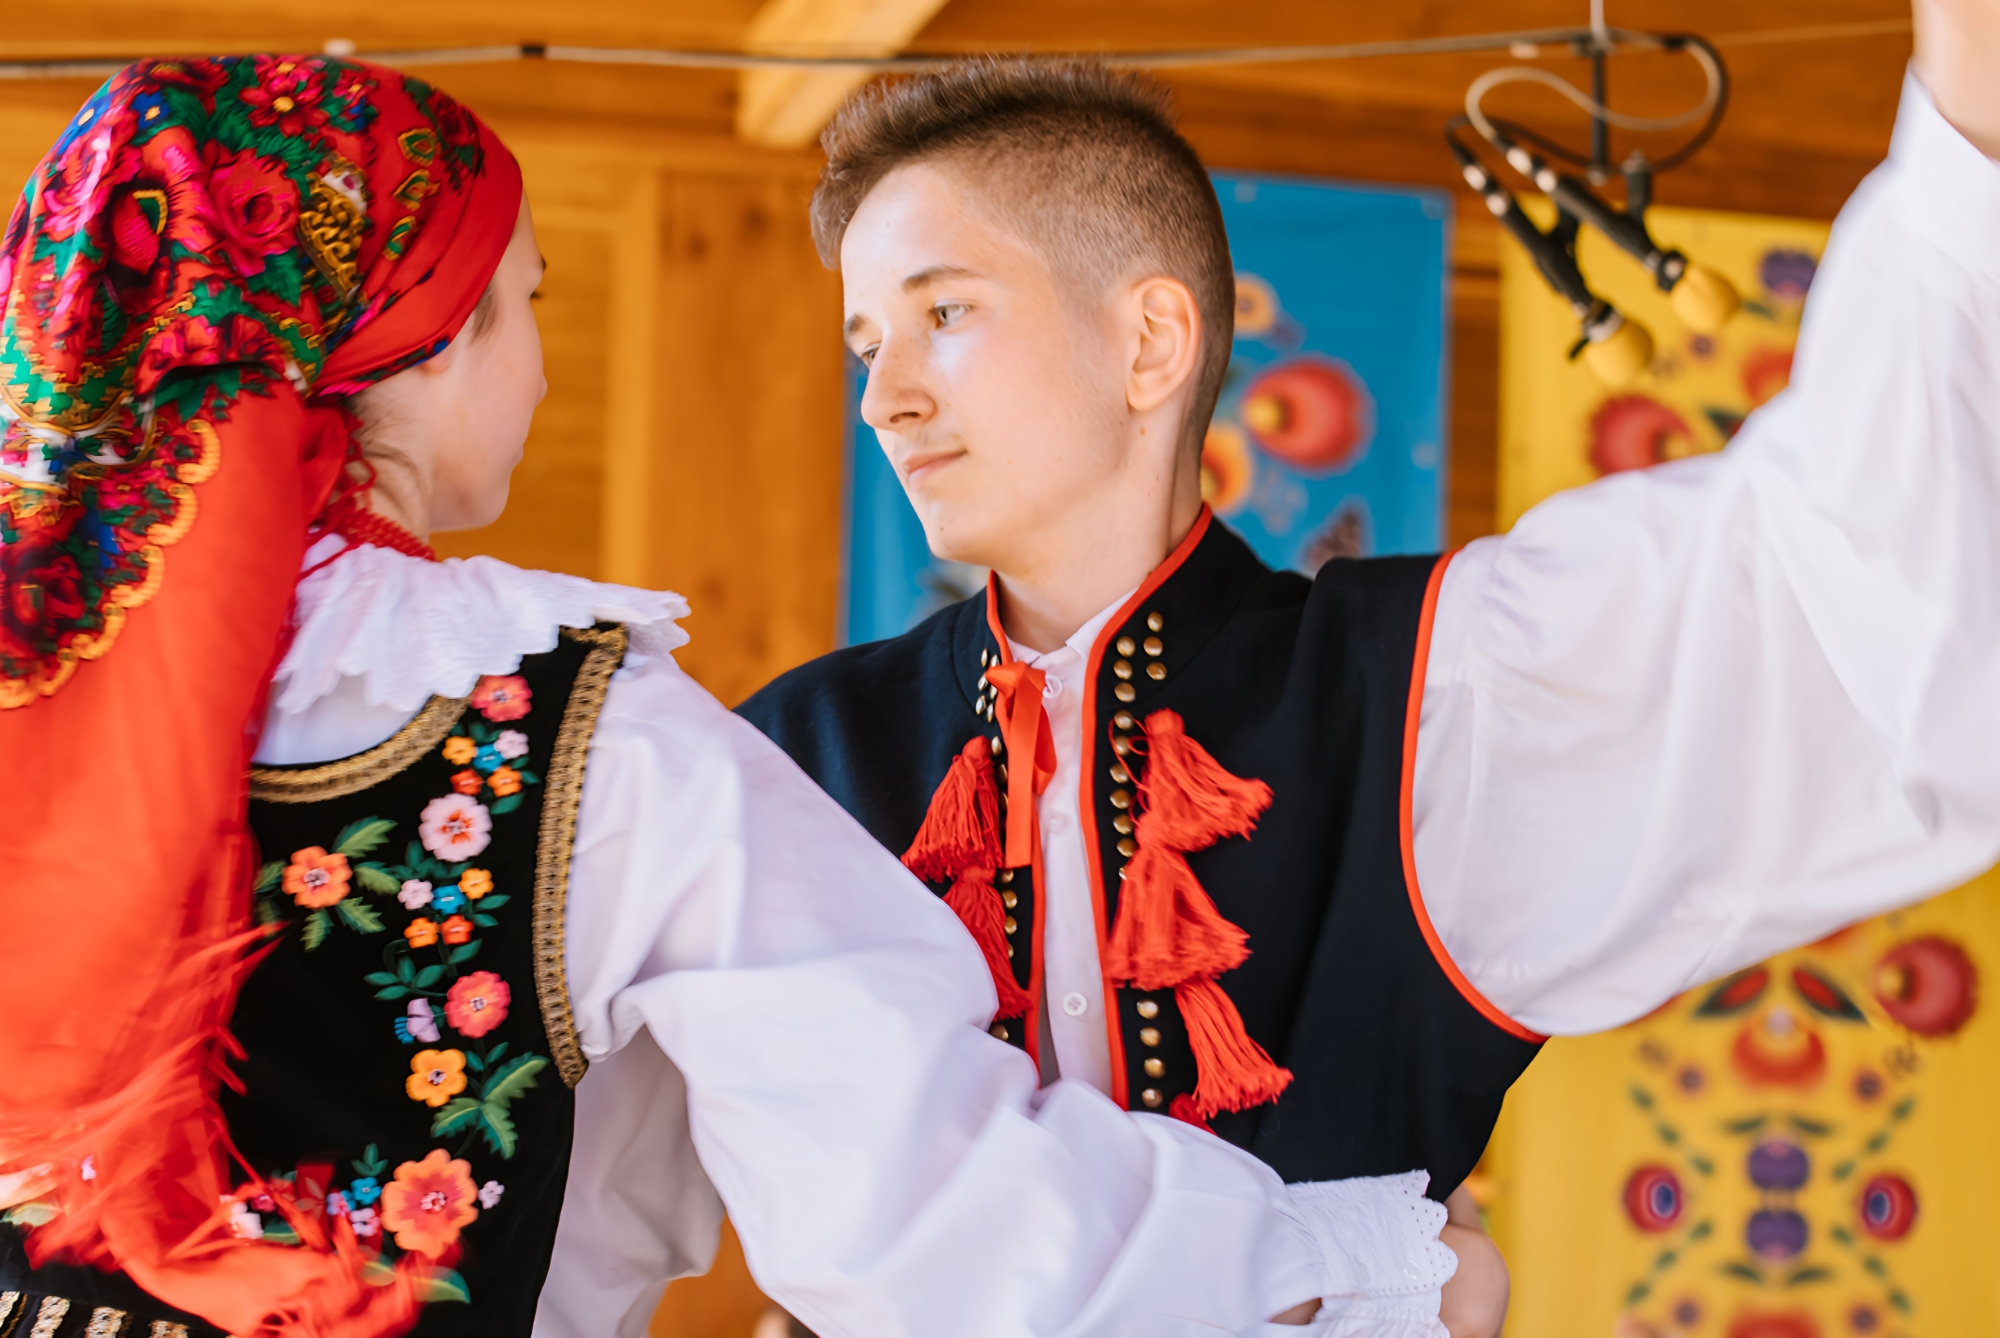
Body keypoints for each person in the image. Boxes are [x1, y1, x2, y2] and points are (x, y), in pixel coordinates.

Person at [0, 54, 1494, 1338]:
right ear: (424, 337)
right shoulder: (566, 724)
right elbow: (911, 1216)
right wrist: (1364, 1265)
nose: (541, 370)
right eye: (524, 302)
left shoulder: (33, 685)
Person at [737, 3, 2000, 1333]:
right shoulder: (789, 764)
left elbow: (1829, 569)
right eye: (868, 343)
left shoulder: (1432, 692)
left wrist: (1968, 115)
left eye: (943, 312)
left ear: (1150, 342)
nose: (884, 397)